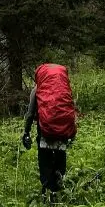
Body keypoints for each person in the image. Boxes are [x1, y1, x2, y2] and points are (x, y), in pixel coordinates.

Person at [21, 63, 76, 199]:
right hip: (62, 132)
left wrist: (26, 132)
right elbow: (70, 110)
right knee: (60, 158)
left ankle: (47, 192)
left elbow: (30, 114)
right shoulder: (64, 90)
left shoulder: (37, 90)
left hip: (45, 131)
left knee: (45, 161)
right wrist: (72, 134)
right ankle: (58, 189)